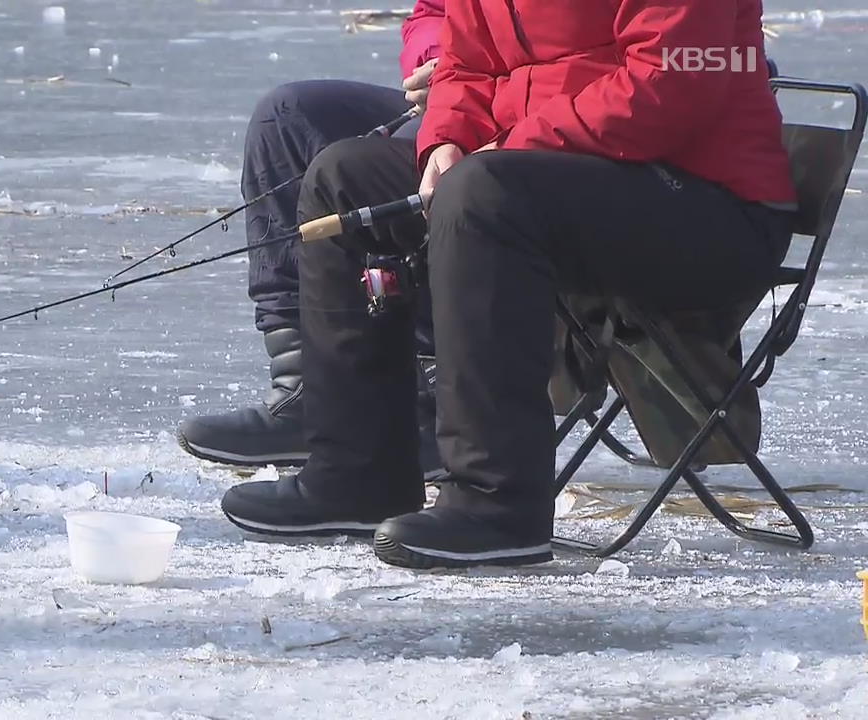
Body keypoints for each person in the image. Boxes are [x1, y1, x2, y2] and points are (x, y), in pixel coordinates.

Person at [219, 0, 796, 568]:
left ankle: (497, 505)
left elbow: (668, 87)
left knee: (484, 196)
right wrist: (445, 139)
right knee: (346, 176)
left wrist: (506, 149)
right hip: (550, 174)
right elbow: (465, 65)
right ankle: (356, 476)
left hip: (708, 206)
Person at [176, 2, 448, 479]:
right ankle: (307, 392)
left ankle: (435, 398)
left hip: (531, 124)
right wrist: (438, 63)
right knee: (287, 118)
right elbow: (432, 12)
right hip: (462, 97)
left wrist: (477, 94)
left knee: (352, 170)